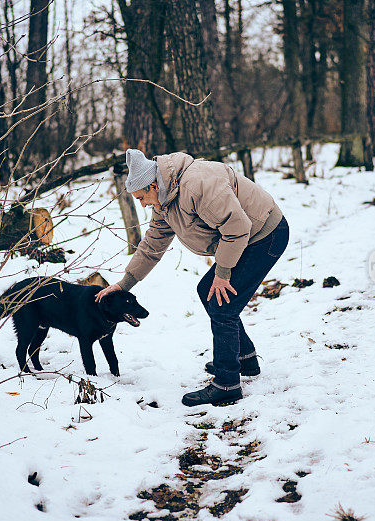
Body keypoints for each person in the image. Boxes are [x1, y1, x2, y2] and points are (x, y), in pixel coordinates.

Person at [96, 149, 289, 406]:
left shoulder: (196, 185)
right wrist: (124, 283)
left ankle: (227, 383)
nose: (142, 204)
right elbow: (152, 244)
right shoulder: (164, 200)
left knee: (222, 303)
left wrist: (222, 273)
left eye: (142, 197)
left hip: (264, 234)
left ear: (153, 184)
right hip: (244, 237)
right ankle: (244, 359)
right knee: (206, 290)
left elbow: (237, 227)